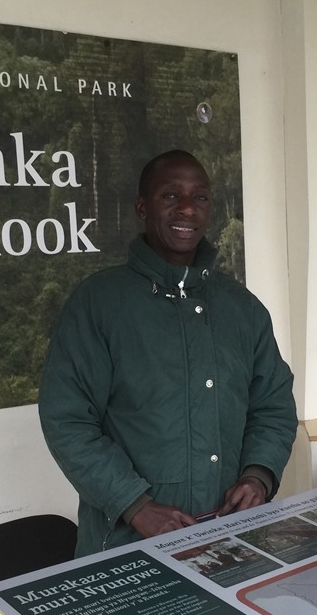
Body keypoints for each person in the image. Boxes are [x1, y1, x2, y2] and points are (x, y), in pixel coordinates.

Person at [38, 150, 299, 555]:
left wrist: (258, 476)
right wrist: (135, 505)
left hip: (228, 539)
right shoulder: (99, 304)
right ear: (142, 206)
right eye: (170, 196)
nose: (187, 209)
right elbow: (68, 420)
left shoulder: (241, 308)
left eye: (199, 198)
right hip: (127, 544)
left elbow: (273, 405)